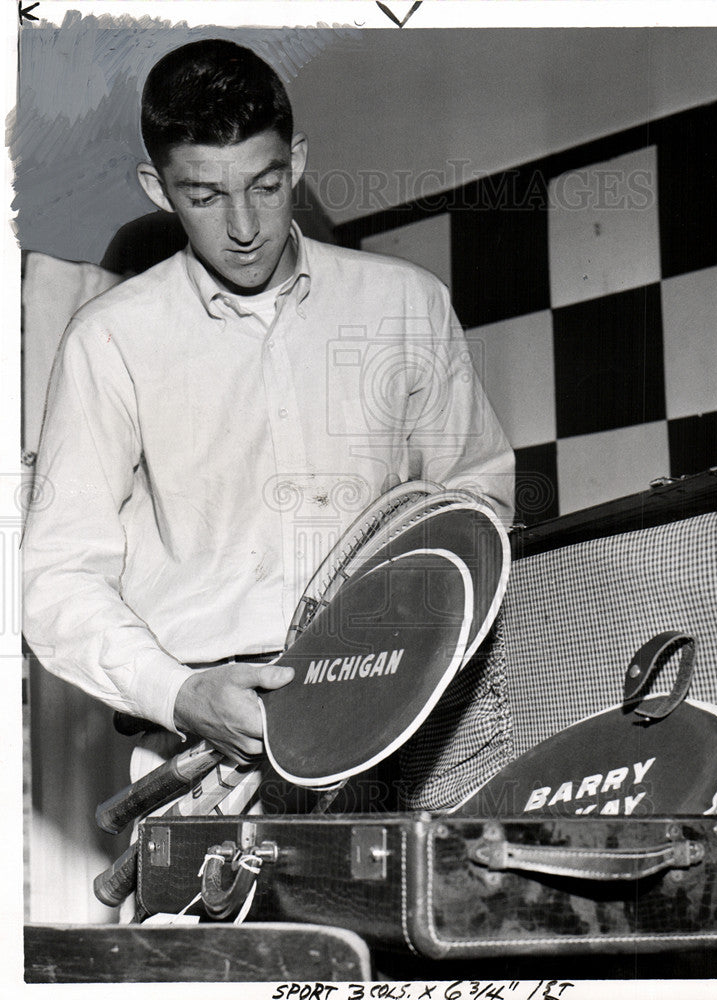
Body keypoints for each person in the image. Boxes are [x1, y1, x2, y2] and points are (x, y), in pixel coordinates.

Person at [22, 38, 514, 769]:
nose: (244, 227)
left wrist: (414, 646)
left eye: (264, 185)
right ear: (158, 190)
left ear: (299, 161)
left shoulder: (405, 305)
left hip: (404, 714)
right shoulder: (110, 339)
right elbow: (57, 575)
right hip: (199, 746)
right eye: (205, 197)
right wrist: (179, 692)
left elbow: (477, 500)